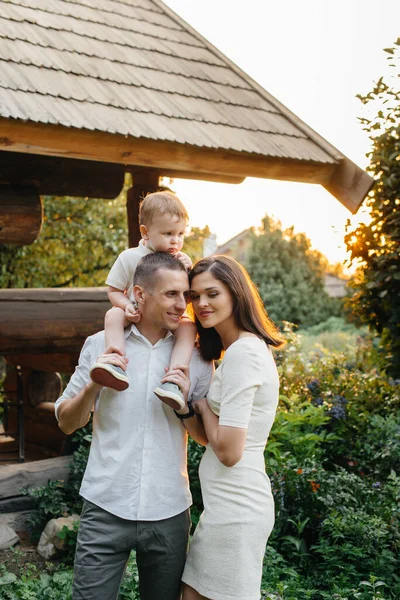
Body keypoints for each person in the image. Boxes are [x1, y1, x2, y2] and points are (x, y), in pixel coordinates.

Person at [55, 252, 213, 600]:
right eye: (171, 294)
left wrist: (186, 407)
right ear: (139, 294)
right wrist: (95, 384)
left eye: (184, 295)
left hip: (169, 510)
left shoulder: (197, 359)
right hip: (105, 505)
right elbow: (67, 421)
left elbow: (204, 438)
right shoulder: (100, 344)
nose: (181, 304)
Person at [181, 255, 285, 600]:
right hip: (223, 506)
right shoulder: (234, 352)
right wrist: (186, 411)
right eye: (195, 296)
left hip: (237, 509)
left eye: (213, 293)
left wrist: (200, 406)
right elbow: (208, 440)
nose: (201, 304)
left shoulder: (244, 353)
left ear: (236, 293)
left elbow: (228, 452)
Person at [90, 191, 196, 411]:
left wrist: (190, 268)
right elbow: (114, 291)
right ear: (145, 232)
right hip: (133, 313)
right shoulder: (129, 257)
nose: (175, 240)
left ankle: (174, 379)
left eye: (180, 233)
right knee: (112, 315)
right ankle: (116, 362)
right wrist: (126, 306)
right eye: (168, 233)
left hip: (164, 318)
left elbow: (186, 292)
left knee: (188, 326)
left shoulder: (180, 260)